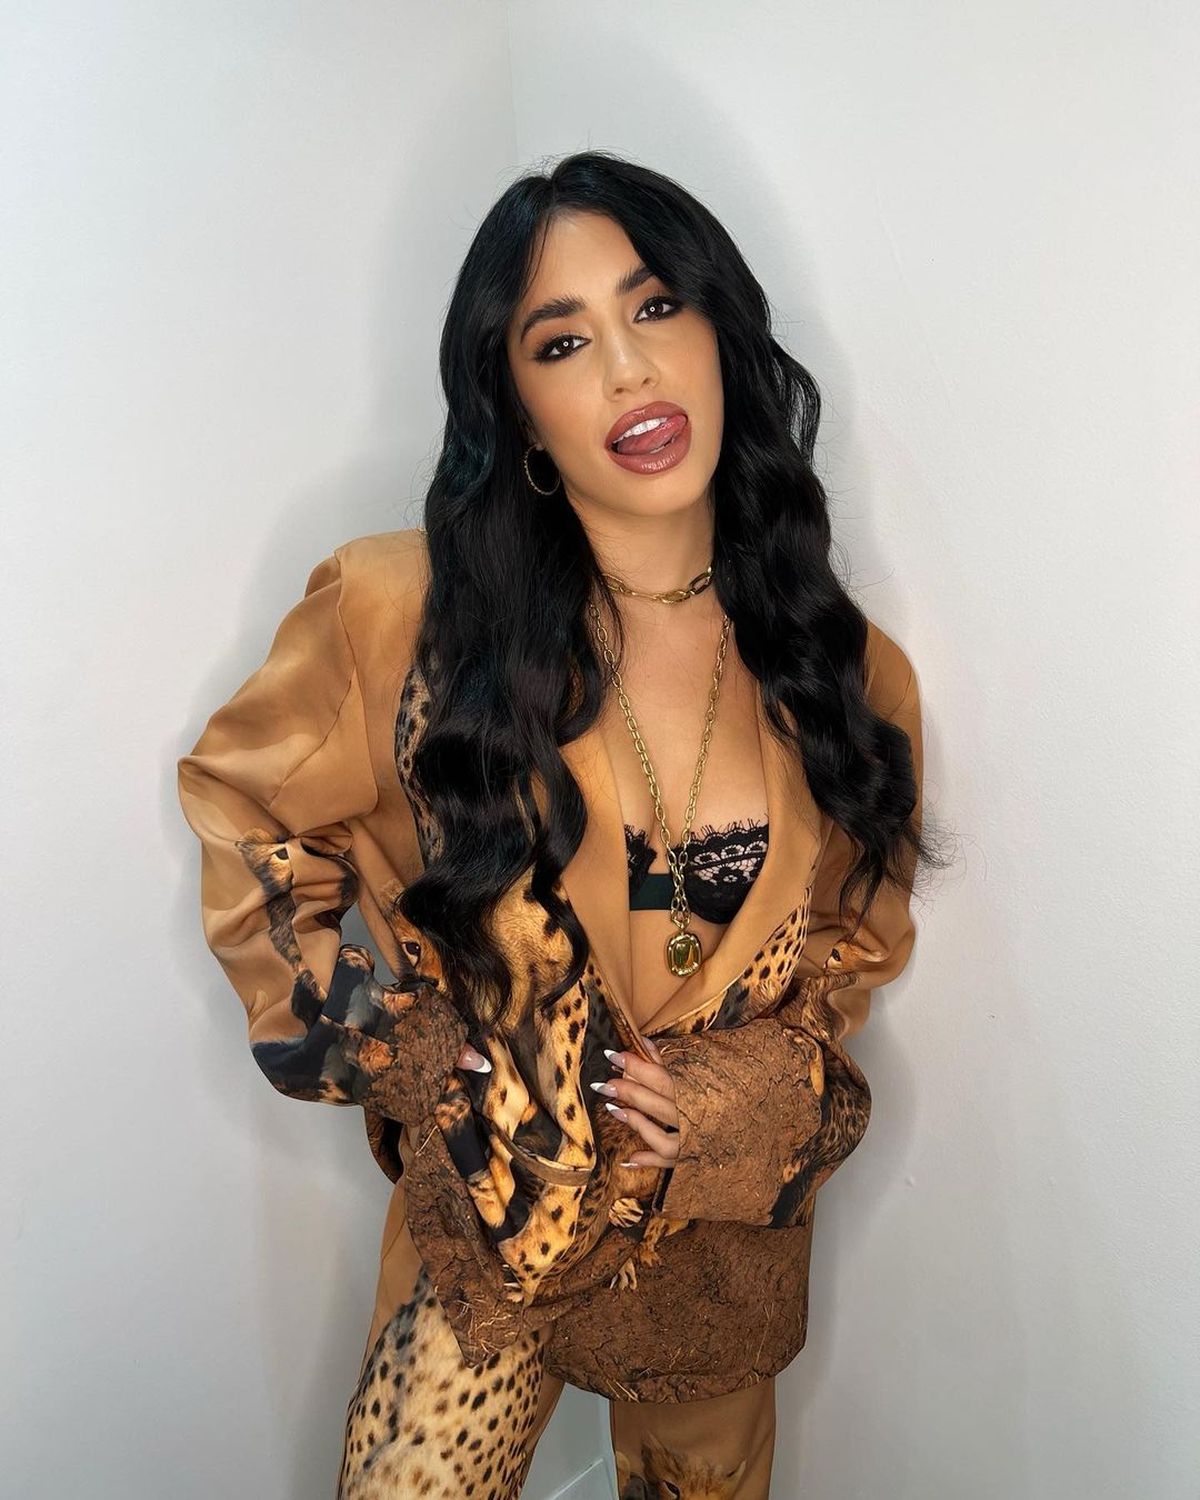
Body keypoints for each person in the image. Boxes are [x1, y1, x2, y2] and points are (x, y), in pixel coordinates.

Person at [177, 149, 939, 1499]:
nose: (629, 371)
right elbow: (248, 812)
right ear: (519, 412)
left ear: (721, 333)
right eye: (563, 341)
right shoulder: (406, 613)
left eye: (656, 307)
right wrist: (396, 1050)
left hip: (715, 1253)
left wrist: (737, 1102)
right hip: (496, 1225)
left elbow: (849, 942)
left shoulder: (838, 661)